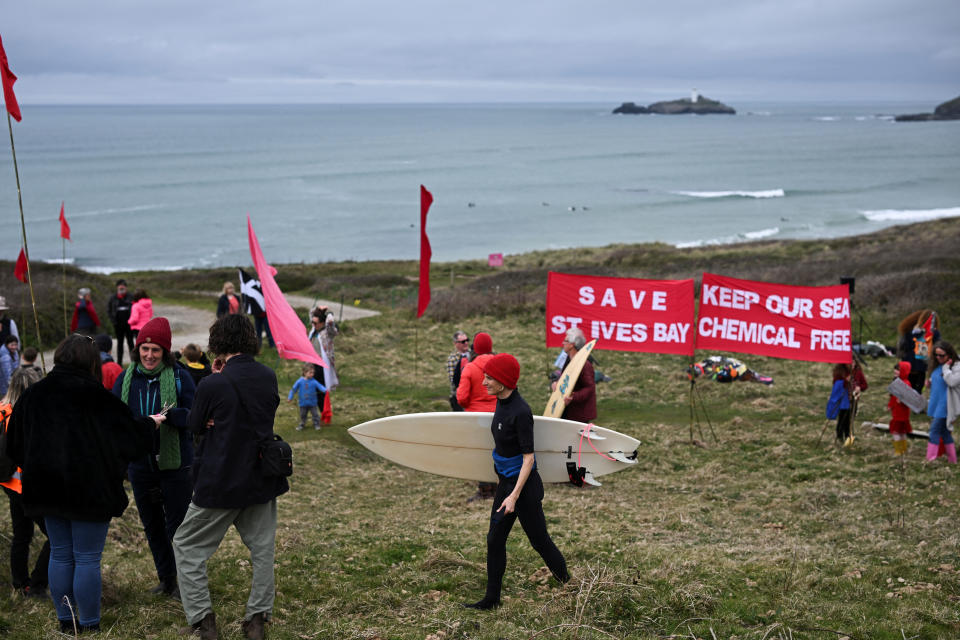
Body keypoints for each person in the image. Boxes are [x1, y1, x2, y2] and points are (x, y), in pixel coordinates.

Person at [7, 334, 157, 633]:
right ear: (92, 362)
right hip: (90, 491)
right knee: (87, 558)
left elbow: (13, 444)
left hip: (46, 488)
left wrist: (37, 465)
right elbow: (130, 440)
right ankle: (89, 624)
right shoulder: (99, 397)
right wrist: (151, 423)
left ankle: (65, 622)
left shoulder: (34, 395)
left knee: (61, 553)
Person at [173, 314, 289, 640]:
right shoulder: (268, 376)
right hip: (261, 478)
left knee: (186, 546)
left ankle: (203, 621)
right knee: (262, 551)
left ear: (218, 343)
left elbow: (195, 425)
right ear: (250, 339)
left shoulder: (212, 383)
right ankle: (257, 620)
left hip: (219, 481)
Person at [463, 352, 569, 610]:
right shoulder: (500, 401)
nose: (484, 382)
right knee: (494, 539)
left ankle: (568, 584)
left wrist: (513, 495)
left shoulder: (521, 412)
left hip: (524, 488)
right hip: (507, 484)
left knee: (539, 540)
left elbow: (529, 458)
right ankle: (492, 599)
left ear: (503, 381)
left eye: (489, 378)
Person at [112, 317, 196, 599]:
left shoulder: (180, 377)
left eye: (155, 350)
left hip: (176, 465)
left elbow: (195, 417)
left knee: (178, 527)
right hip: (140, 466)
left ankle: (186, 581)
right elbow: (114, 420)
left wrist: (172, 417)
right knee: (152, 525)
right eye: (145, 349)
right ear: (137, 349)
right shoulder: (125, 379)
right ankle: (167, 580)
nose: (149, 355)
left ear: (165, 352)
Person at [1, 366, 48, 599]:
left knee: (21, 534)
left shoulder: (2, 409)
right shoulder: (28, 415)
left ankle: (20, 583)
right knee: (56, 537)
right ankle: (38, 584)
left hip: (8, 483)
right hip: (28, 485)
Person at [457, 332, 497, 502]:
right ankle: (497, 487)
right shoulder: (498, 366)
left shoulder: (470, 368)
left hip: (476, 418)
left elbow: (461, 397)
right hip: (498, 415)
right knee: (495, 451)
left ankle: (485, 490)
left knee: (481, 453)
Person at [551, 328, 597, 423]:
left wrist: (573, 397)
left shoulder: (584, 364)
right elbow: (566, 378)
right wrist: (557, 383)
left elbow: (589, 388)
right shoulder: (569, 359)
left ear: (572, 344)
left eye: (565, 341)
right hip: (567, 409)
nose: (563, 343)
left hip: (579, 413)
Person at [926, 341, 960, 463]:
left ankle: (930, 460)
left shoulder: (956, 367)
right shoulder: (938, 366)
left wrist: (946, 368)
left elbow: (952, 381)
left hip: (946, 405)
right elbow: (937, 379)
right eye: (936, 355)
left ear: (949, 354)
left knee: (934, 431)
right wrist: (929, 382)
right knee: (945, 433)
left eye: (942, 355)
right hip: (936, 402)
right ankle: (953, 460)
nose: (938, 358)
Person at [288, 363, 327, 431]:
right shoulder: (300, 381)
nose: (312, 374)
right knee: (303, 415)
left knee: (315, 415)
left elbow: (320, 386)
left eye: (313, 372)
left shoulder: (314, 381)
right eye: (310, 372)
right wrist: (290, 397)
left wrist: (325, 390)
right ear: (304, 372)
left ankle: (316, 424)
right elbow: (293, 389)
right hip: (303, 403)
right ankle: (302, 424)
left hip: (313, 403)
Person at [308, 309, 338, 392]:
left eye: (315, 323)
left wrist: (329, 313)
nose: (313, 325)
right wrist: (318, 308)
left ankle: (322, 402)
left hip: (323, 363)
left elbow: (331, 322)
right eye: (312, 322)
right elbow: (311, 313)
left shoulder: (328, 332)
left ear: (323, 323)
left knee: (321, 385)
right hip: (313, 362)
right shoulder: (313, 330)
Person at [887, 361, 913, 456]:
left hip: (901, 411)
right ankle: (902, 450)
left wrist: (901, 400)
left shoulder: (905, 383)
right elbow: (893, 397)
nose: (895, 371)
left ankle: (898, 450)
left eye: (898, 370)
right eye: (895, 369)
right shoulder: (897, 382)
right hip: (898, 411)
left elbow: (909, 397)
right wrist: (890, 405)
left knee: (896, 432)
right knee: (901, 431)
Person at [107, 279, 135, 366]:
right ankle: (119, 363)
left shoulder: (131, 297)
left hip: (129, 325)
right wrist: (113, 321)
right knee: (120, 344)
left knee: (131, 343)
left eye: (123, 287)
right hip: (118, 325)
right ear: (117, 288)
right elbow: (109, 310)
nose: (121, 288)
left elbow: (135, 308)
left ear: (126, 288)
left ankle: (134, 362)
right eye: (120, 287)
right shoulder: (113, 298)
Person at [826, 363, 852, 444]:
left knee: (845, 420)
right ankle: (842, 436)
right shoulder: (839, 379)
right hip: (843, 403)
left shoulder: (839, 376)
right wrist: (846, 381)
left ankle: (845, 437)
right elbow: (840, 387)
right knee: (843, 420)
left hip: (845, 402)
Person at [447, 331, 470, 411]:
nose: (466, 343)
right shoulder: (452, 358)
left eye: (467, 340)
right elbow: (453, 380)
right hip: (458, 397)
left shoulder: (473, 354)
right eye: (463, 341)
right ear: (456, 343)